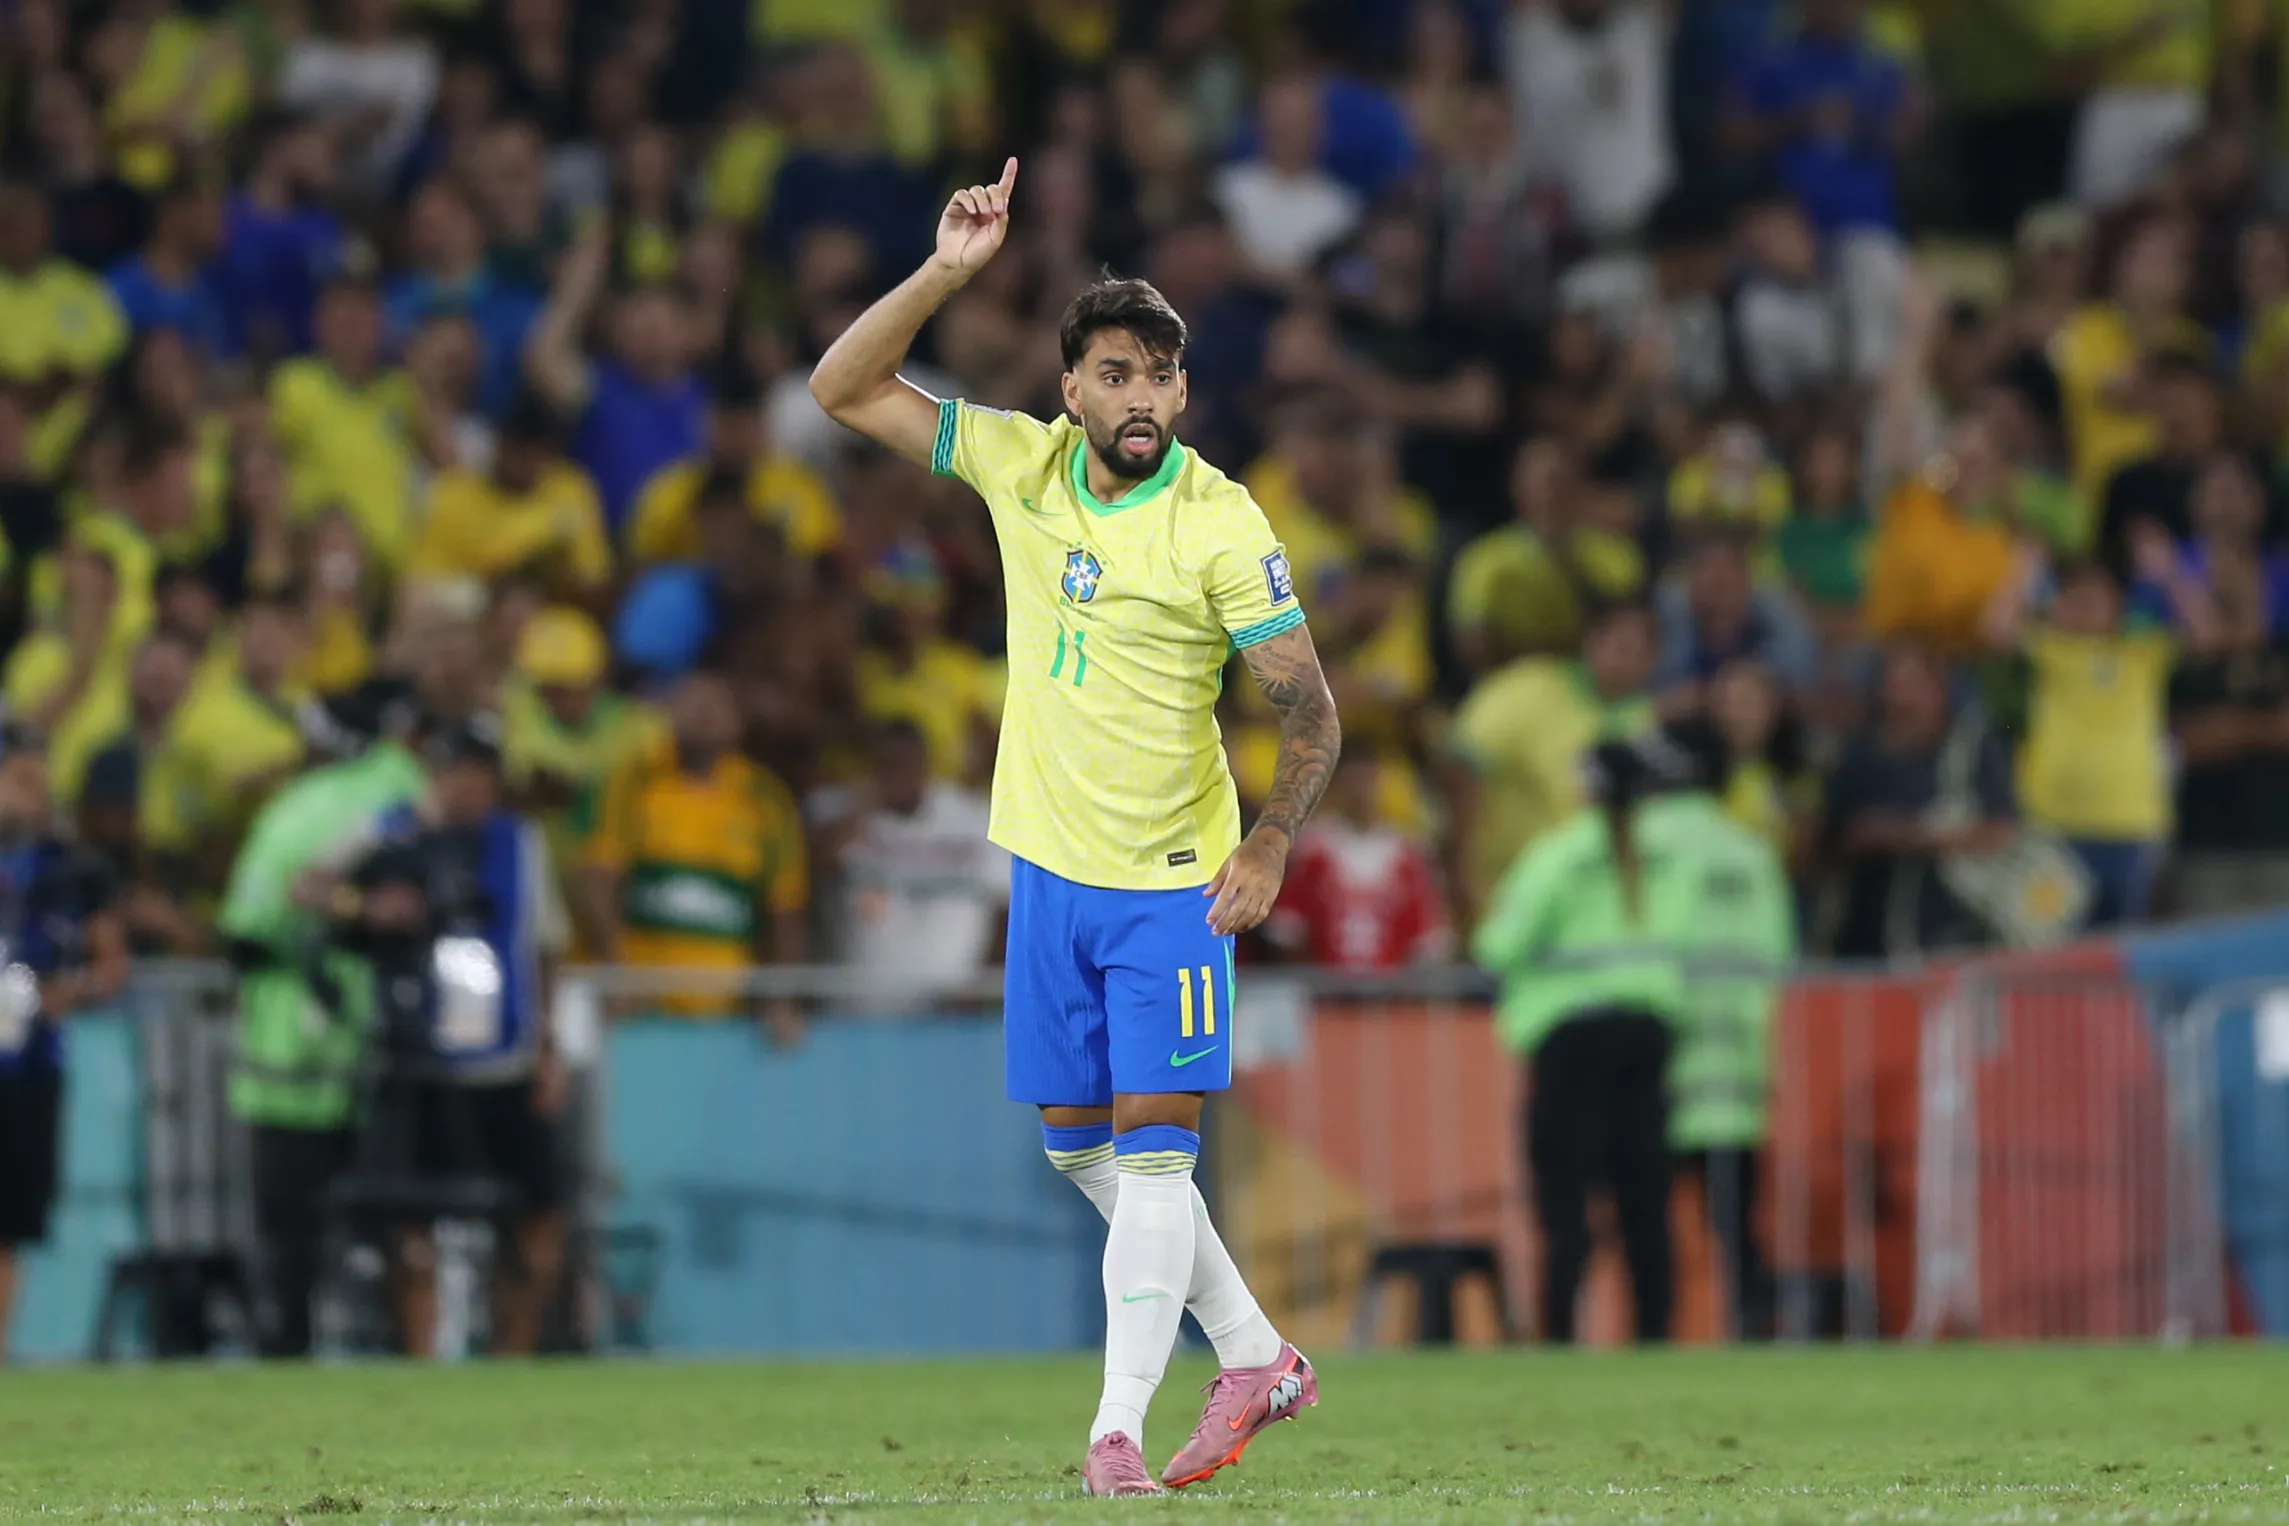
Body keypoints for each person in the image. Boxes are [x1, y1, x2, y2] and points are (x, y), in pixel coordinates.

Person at [809, 159, 1341, 1496]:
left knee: (1155, 1152)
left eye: (1160, 375)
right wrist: (944, 274)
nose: (1140, 396)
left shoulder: (1220, 523)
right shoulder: (1022, 466)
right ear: (1072, 391)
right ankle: (1256, 1352)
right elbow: (842, 389)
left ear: (1183, 391)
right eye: (1114, 374)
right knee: (1076, 1144)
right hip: (1050, 868)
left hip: (1174, 882)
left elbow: (1312, 713)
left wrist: (1268, 841)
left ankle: (1114, 1431)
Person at [1472, 728, 1781, 1344]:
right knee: (1644, 1199)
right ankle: (1652, 1337)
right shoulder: (1672, 858)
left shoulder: (1559, 855)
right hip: (1649, 1033)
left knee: (1565, 1201)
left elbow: (1498, 944)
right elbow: (1689, 936)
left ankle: (1560, 1338)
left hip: (1572, 1037)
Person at [314, 716, 569, 1358]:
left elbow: (545, 948)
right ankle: (423, 1352)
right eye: (457, 770)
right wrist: (365, 908)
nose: (469, 785)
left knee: (536, 1209)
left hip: (505, 1058)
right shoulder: (391, 829)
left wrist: (549, 1048)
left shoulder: (521, 842)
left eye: (481, 772)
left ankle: (513, 1349)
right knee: (411, 1216)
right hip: (418, 1061)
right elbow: (309, 886)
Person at [216, 679, 429, 1358]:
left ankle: (289, 1347)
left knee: (292, 1225)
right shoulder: (403, 790)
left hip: (294, 1046)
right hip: (376, 1040)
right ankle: (405, 1350)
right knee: (386, 1218)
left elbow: (247, 926)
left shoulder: (303, 807)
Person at [0, 725, 128, 1362]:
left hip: (29, 1067)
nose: (37, 794)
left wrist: (65, 994)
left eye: (41, 779)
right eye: (21, 779)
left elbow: (112, 964)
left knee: (10, 1219)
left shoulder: (72, 871)